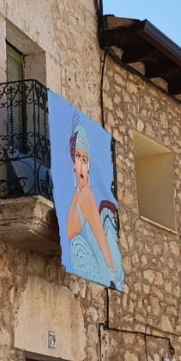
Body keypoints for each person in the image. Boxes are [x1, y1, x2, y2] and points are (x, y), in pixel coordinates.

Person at [63, 116, 124, 288]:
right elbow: (70, 232)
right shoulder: (79, 194)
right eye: (78, 157)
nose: (82, 165)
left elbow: (99, 237)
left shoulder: (87, 195)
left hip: (100, 266)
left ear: (89, 164)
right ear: (73, 162)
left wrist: (111, 271)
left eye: (85, 159)